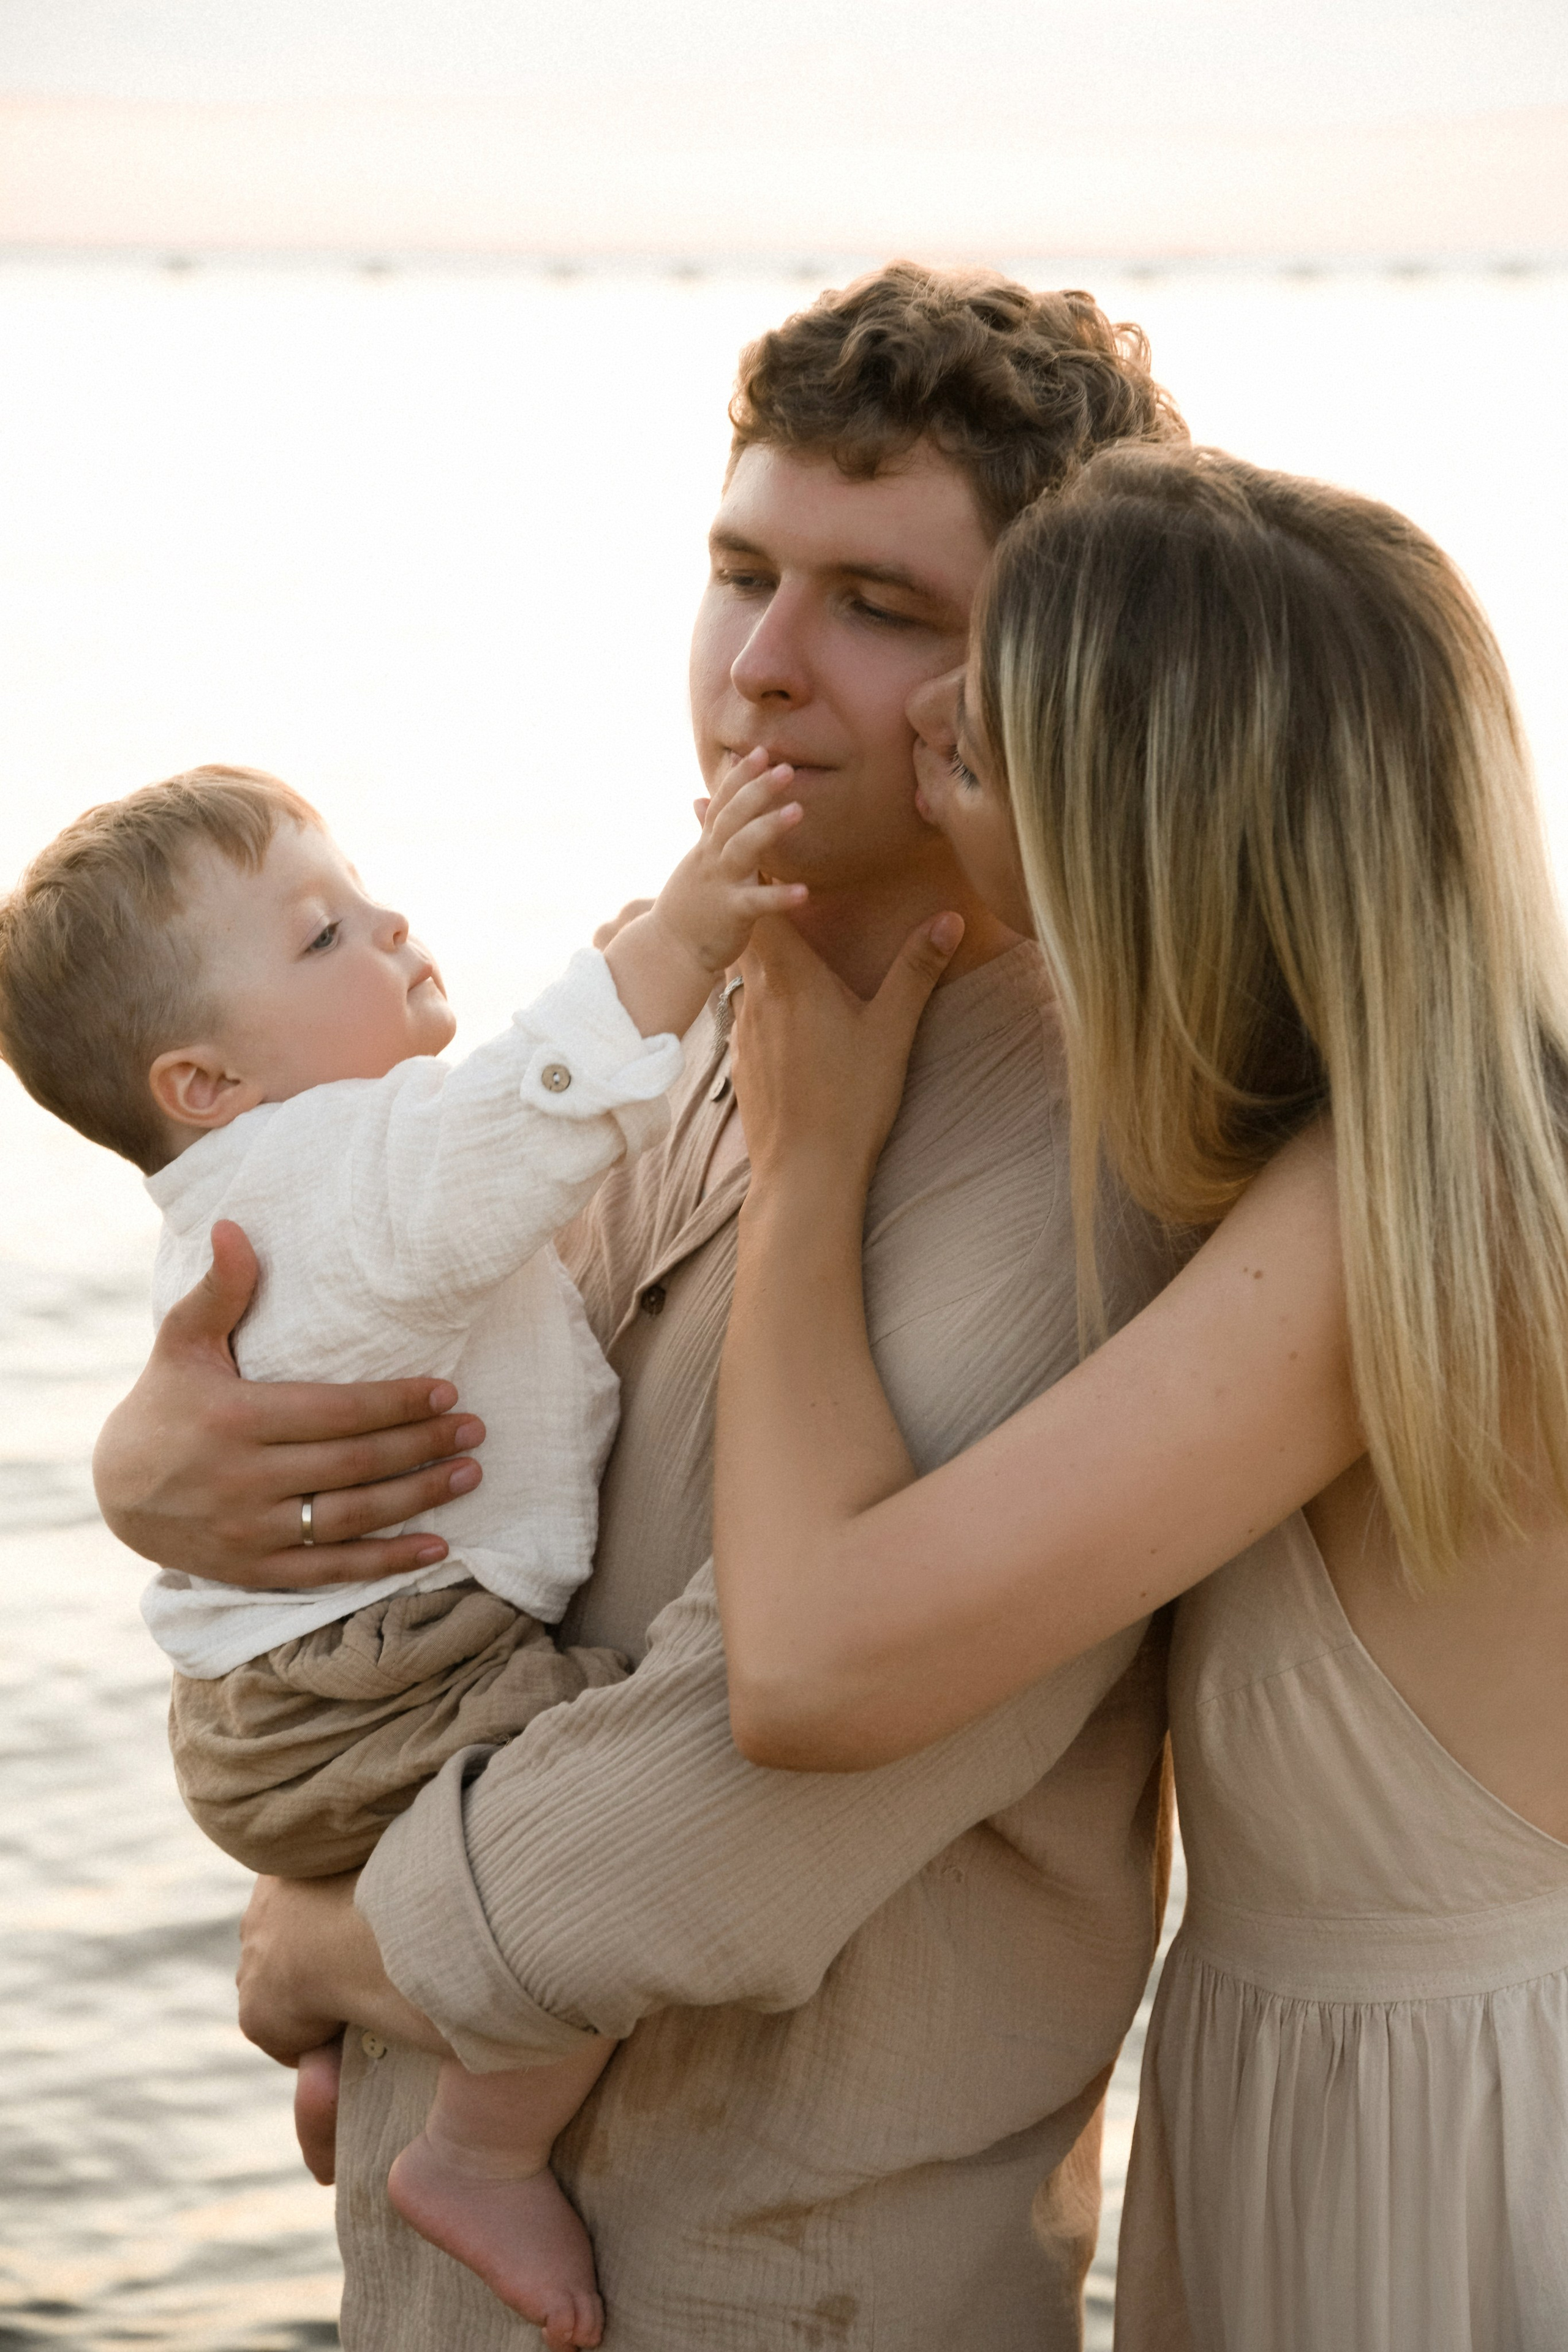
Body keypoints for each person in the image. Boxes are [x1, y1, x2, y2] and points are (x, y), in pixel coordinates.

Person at [94, 266, 1193, 2349]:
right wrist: (161, 1462)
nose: (760, 669)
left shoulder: (1090, 1169)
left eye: (880, 606)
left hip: (783, 2292)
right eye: (742, 571)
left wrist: (316, 1944)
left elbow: (714, 1825)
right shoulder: (661, 1027)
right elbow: (431, 1490)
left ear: (1051, 671)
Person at [708, 443, 1568, 2351]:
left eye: (984, 730)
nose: (927, 721)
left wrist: (806, 1171)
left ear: (1136, 834)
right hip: (1373, 2103)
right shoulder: (1461, 1146)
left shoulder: (1364, 1240)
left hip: (1461, 2170)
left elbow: (816, 1666)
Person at [0, 754, 805, 2348]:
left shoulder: (269, 1182)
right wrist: (682, 939)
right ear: (203, 1082)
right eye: (321, 935)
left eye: (360, 895)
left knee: (481, 1833)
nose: (387, 924)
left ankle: (349, 2044)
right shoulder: (346, 1168)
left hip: (294, 1695)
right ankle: (476, 2153)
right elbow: (521, 1121)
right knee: (579, 1813)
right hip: (374, 1684)